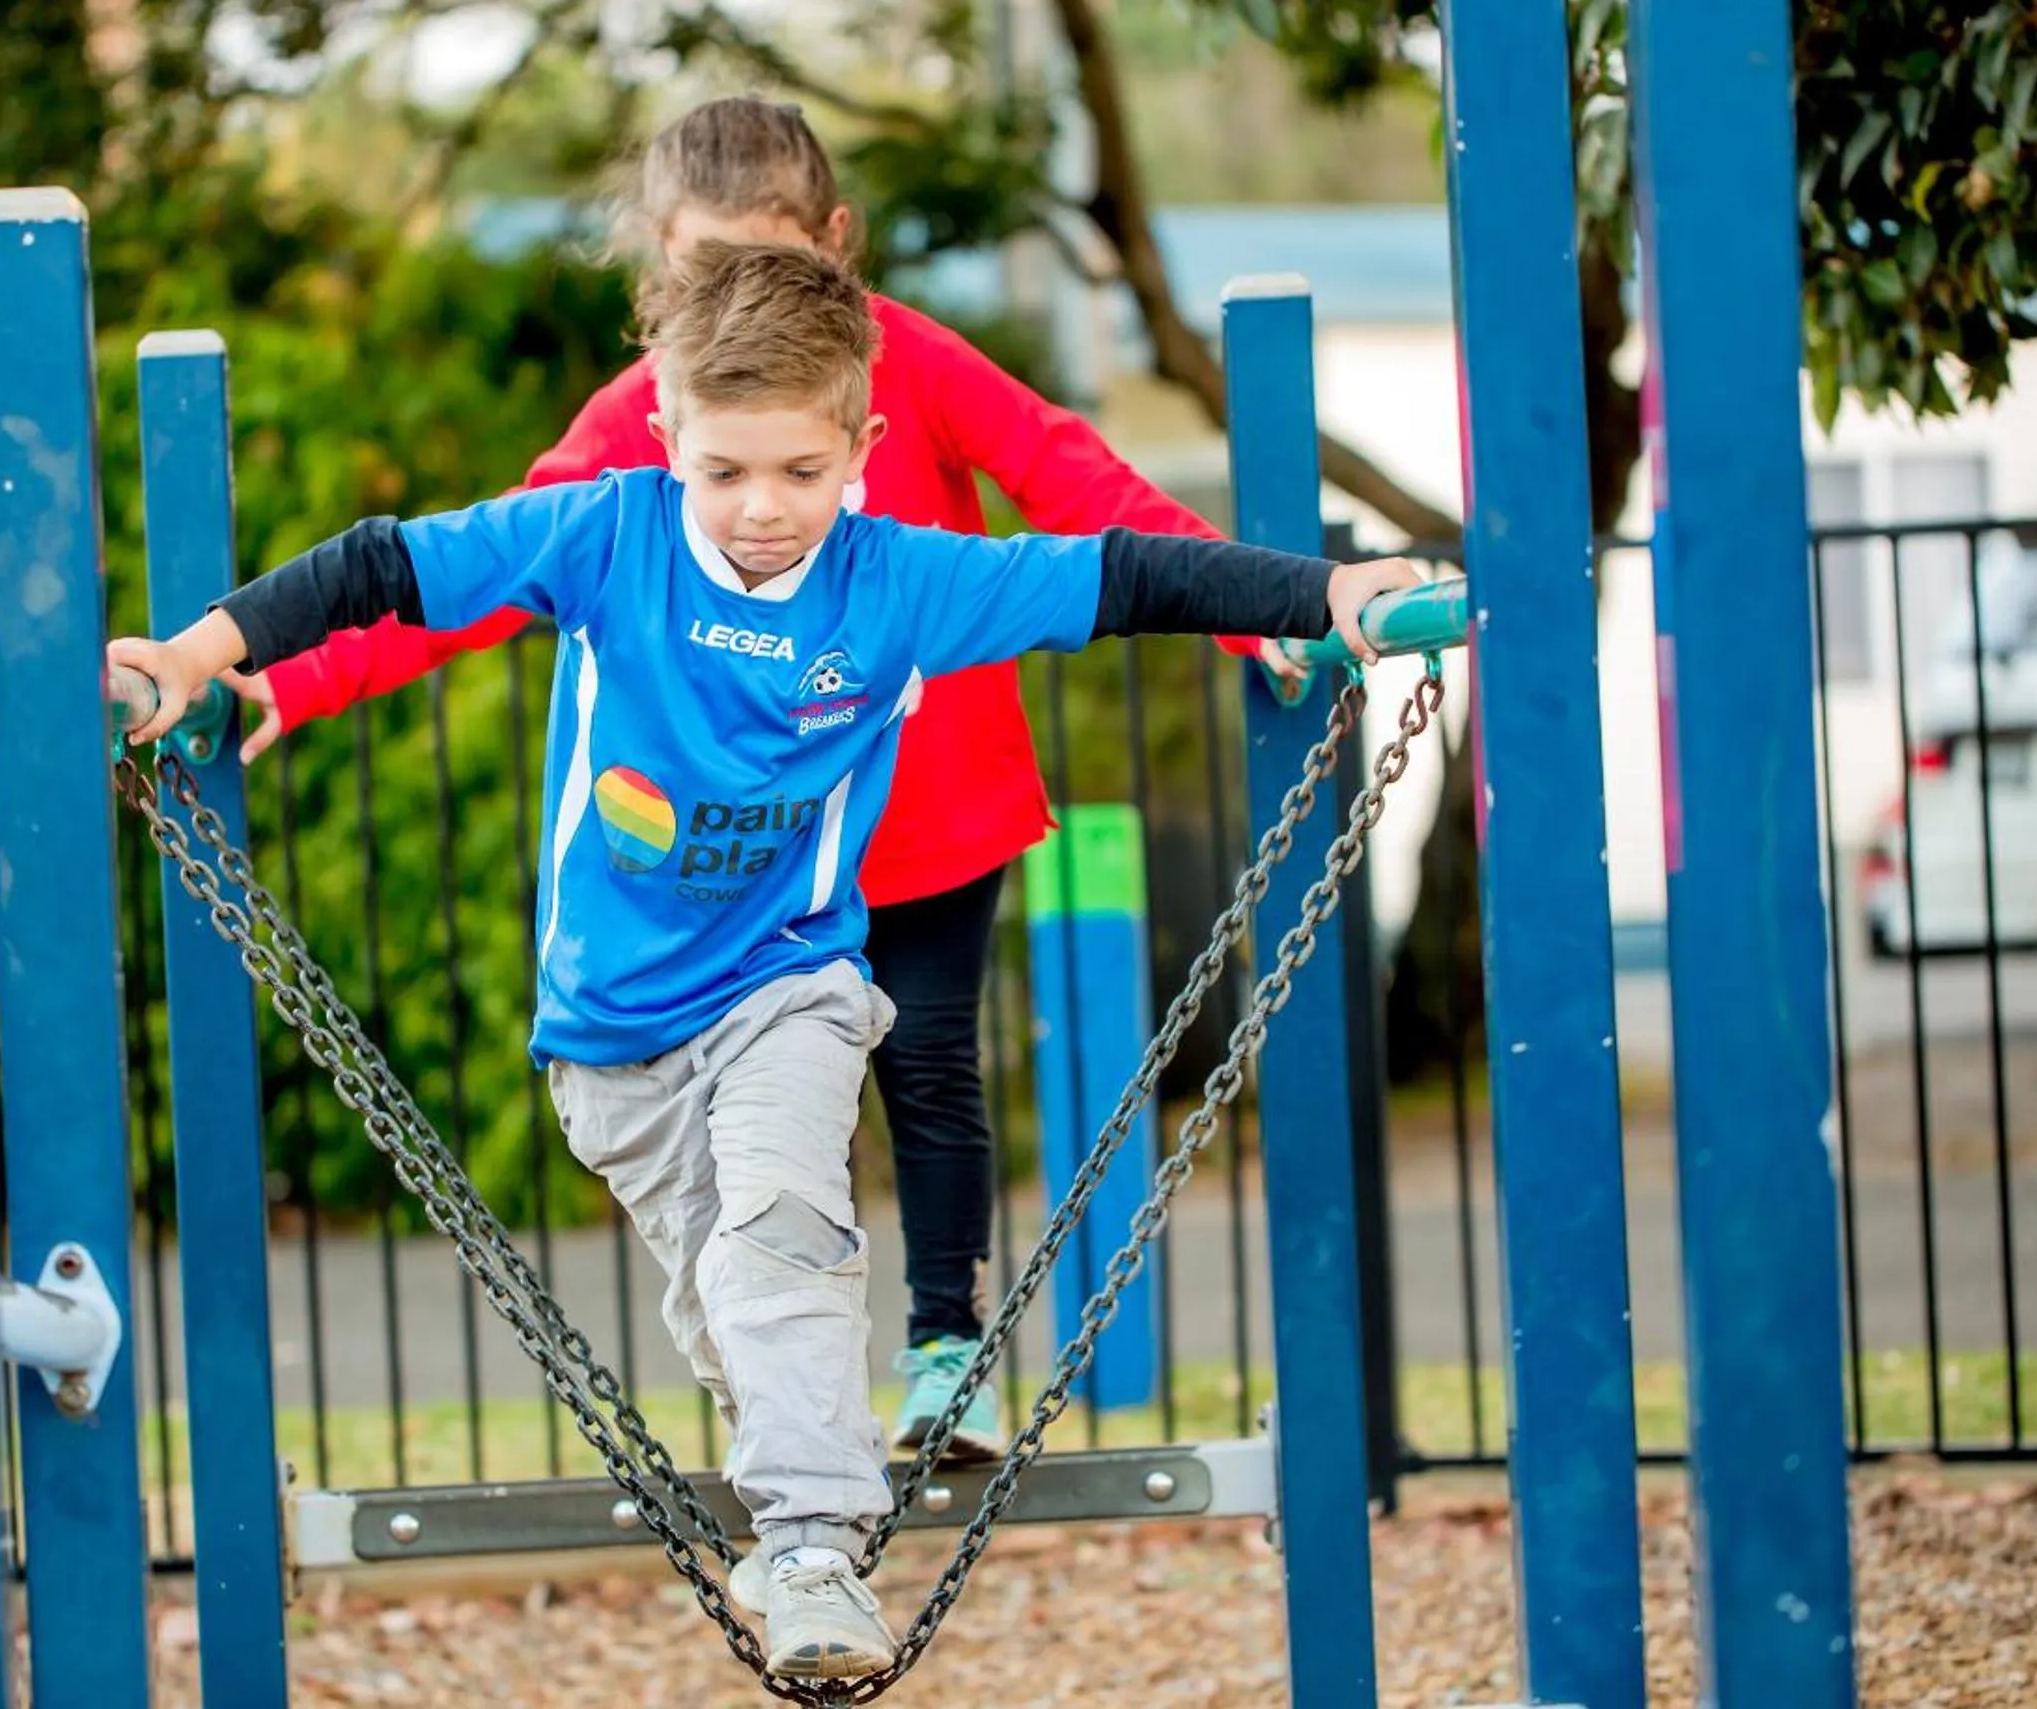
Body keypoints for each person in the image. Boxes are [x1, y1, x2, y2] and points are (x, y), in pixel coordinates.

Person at [113, 241, 1417, 1679]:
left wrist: (1324, 594)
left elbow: (1119, 574)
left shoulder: (897, 582)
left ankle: (809, 1556)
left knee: (785, 1232)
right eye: (725, 469)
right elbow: (382, 567)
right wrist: (201, 651)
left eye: (801, 470)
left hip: (790, 985)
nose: (761, 510)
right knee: (740, 1303)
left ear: (862, 447)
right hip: (611, 1036)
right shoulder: (604, 536)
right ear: (666, 434)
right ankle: (807, 1478)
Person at [225, 95, 1309, 1465]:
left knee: (924, 1057)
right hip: (752, 837)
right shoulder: (647, 413)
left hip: (921, 794)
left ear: (836, 246)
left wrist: (1252, 609)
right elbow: (473, 582)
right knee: (766, 1108)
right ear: (655, 273)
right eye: (700, 272)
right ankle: (791, 1390)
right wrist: (297, 676)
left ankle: (943, 1345)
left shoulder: (904, 363)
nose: (736, 299)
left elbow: (1066, 477)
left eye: (769, 261)